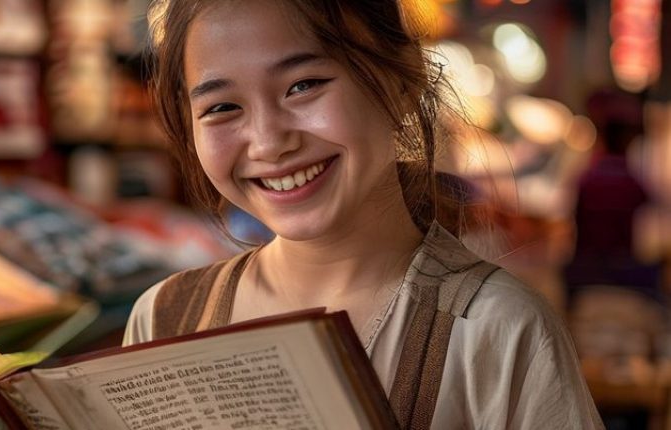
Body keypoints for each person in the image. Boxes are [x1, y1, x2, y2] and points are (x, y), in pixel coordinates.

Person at [123, 0, 603, 428]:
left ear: (400, 82)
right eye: (222, 107)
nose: (268, 143)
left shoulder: (496, 330)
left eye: (303, 85)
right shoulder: (164, 321)